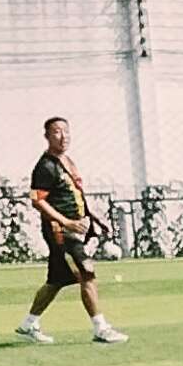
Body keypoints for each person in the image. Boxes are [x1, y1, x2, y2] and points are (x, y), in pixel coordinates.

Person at [19, 116, 127, 344]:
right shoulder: (45, 166)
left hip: (74, 229)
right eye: (56, 132)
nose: (63, 136)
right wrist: (66, 222)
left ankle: (29, 323)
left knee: (56, 281)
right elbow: (37, 200)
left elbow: (75, 194)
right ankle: (101, 328)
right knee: (87, 273)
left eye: (66, 131)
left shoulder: (67, 160)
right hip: (60, 233)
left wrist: (94, 218)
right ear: (47, 136)